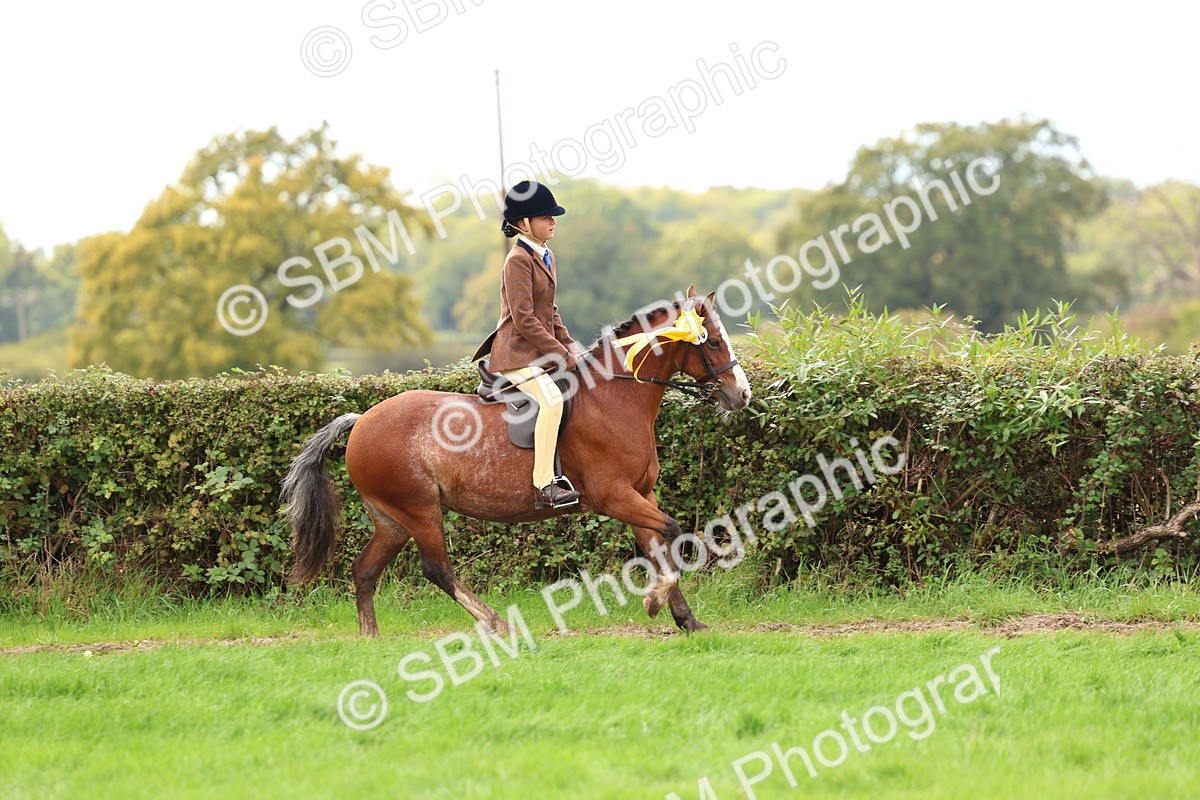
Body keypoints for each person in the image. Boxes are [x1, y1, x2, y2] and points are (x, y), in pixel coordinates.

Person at [472, 181, 583, 509]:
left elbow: (549, 312)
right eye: (545, 216)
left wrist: (571, 345)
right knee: (551, 401)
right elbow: (524, 318)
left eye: (553, 216)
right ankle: (543, 485)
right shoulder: (517, 260)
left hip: (537, 352)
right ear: (523, 224)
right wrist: (560, 353)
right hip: (516, 354)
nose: (553, 221)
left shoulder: (546, 256)